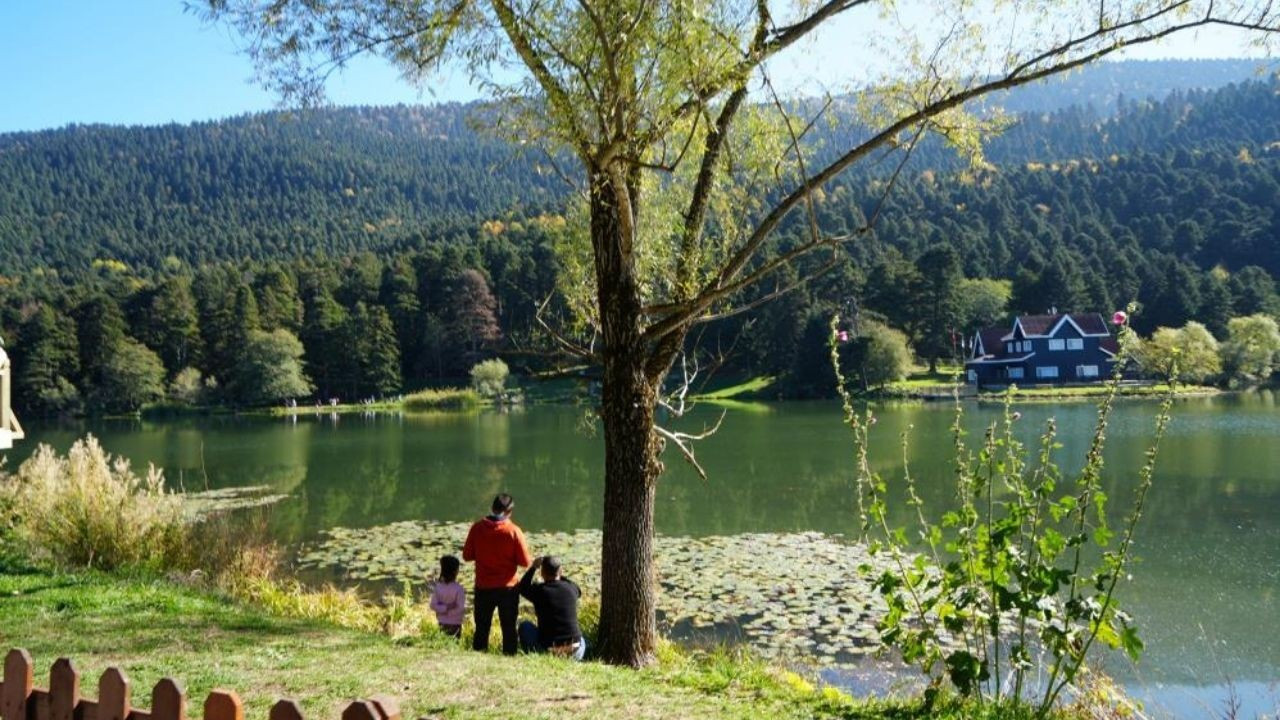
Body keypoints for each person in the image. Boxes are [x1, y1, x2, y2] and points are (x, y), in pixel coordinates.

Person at [462, 493, 532, 655]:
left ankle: (479, 656)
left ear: (492, 508)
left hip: (483, 587)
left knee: (482, 628)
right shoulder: (513, 531)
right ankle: (509, 658)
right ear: (509, 512)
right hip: (508, 589)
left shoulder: (477, 528)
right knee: (508, 629)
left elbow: (467, 556)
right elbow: (525, 562)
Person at [517, 555, 585, 661]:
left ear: (542, 573)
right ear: (560, 571)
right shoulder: (571, 589)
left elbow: (522, 587)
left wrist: (534, 567)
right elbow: (578, 589)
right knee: (582, 638)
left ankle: (539, 656)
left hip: (548, 651)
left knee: (524, 626)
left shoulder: (539, 591)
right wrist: (560, 575)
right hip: (576, 653)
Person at [429, 555, 465, 638]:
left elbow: (433, 605)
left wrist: (444, 609)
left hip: (442, 622)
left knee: (443, 642)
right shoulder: (459, 589)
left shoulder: (438, 587)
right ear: (455, 572)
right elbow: (460, 608)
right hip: (455, 624)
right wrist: (449, 608)